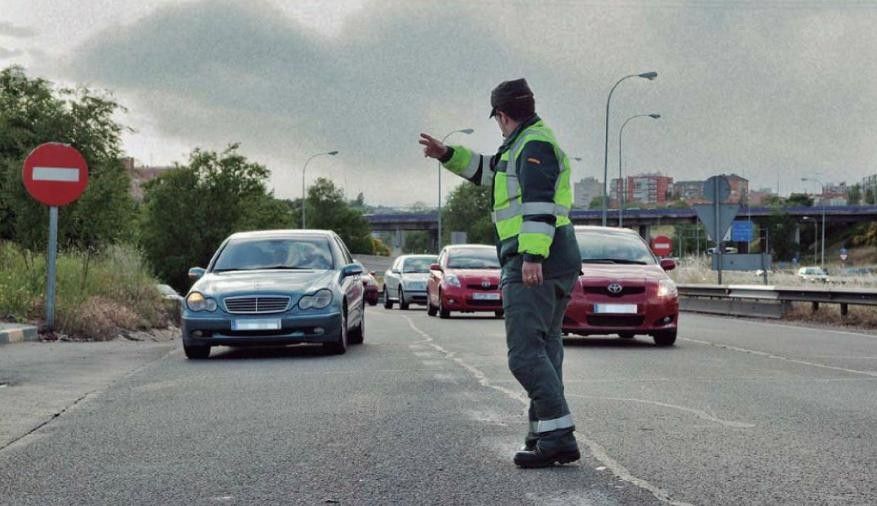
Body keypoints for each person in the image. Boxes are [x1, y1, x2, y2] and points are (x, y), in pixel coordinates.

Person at [419, 78, 582, 468]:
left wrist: (531, 256)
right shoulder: (523, 144)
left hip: (536, 260)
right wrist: (447, 154)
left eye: (497, 120)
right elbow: (488, 171)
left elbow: (539, 205)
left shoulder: (533, 145)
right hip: (554, 259)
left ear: (503, 116)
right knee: (545, 351)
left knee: (524, 356)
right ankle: (544, 436)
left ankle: (558, 436)